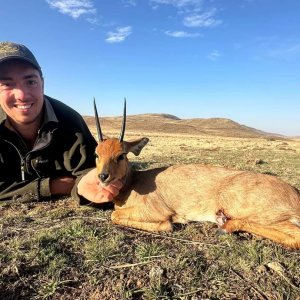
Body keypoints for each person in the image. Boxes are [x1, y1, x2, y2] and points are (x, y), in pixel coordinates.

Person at [0, 41, 122, 203]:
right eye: (7, 84)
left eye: (30, 82)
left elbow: (89, 174)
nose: (22, 95)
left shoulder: (71, 122)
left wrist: (82, 184)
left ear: (42, 84)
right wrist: (53, 186)